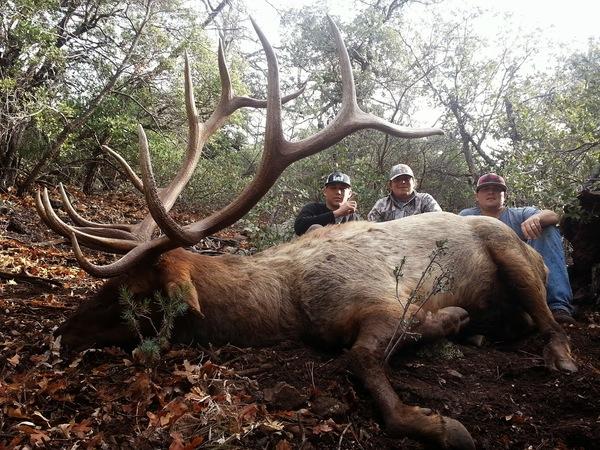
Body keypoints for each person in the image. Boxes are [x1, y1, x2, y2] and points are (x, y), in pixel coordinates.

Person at [459, 172, 575, 324]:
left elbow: (553, 215)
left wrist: (537, 218)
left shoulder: (519, 214)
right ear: (477, 196)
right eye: (485, 189)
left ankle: (558, 306)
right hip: (484, 283)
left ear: (504, 195)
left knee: (547, 228)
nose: (491, 192)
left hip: (525, 283)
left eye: (497, 189)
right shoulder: (465, 216)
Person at [368, 163, 441, 222]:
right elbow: (371, 230)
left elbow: (439, 221)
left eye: (407, 179)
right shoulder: (381, 205)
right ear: (390, 185)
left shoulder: (425, 200)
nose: (403, 182)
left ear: (414, 182)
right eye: (397, 179)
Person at [294, 171, 360, 236]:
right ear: (325, 191)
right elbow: (299, 227)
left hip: (343, 246)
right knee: (315, 228)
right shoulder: (313, 208)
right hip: (317, 246)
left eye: (343, 189)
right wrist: (337, 213)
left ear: (349, 194)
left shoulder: (353, 217)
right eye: (333, 188)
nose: (338, 192)